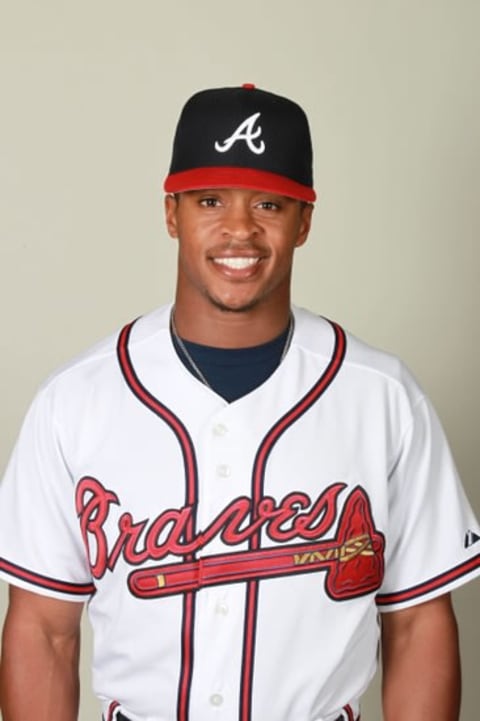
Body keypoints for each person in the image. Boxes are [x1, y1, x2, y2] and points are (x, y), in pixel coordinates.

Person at [0, 83, 479, 721]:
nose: (239, 230)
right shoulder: (76, 399)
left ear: (304, 221)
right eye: (209, 200)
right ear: (171, 213)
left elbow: (418, 625)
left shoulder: (382, 397)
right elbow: (43, 630)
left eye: (270, 205)